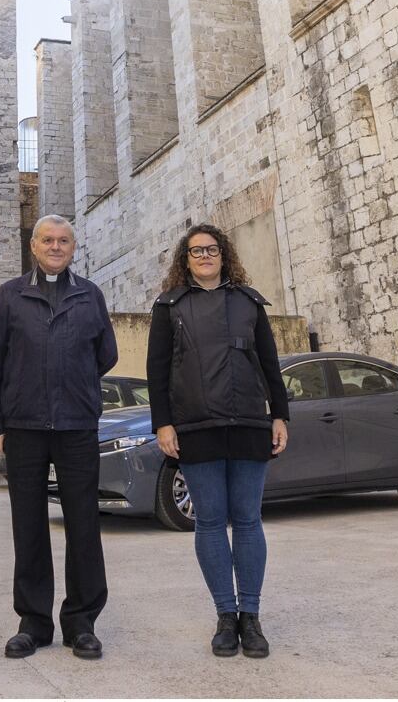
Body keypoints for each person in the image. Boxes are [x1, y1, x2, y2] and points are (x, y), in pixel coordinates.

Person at [0, 215, 117, 660]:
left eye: (64, 240)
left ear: (73, 248)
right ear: (34, 247)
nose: (56, 247)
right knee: (29, 527)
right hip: (24, 427)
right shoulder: (11, 295)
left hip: (77, 425)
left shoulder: (90, 295)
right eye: (48, 240)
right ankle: (33, 623)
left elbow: (105, 354)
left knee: (84, 525)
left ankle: (81, 623)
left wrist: (74, 383)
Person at [145, 223, 288, 659]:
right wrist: (163, 424)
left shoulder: (249, 302)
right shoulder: (169, 307)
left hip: (248, 423)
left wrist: (279, 415)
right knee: (209, 521)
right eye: (196, 251)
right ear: (185, 260)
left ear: (224, 255)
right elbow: (157, 370)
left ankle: (251, 617)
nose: (204, 256)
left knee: (247, 520)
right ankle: (226, 616)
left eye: (211, 249)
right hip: (196, 427)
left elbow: (269, 362)